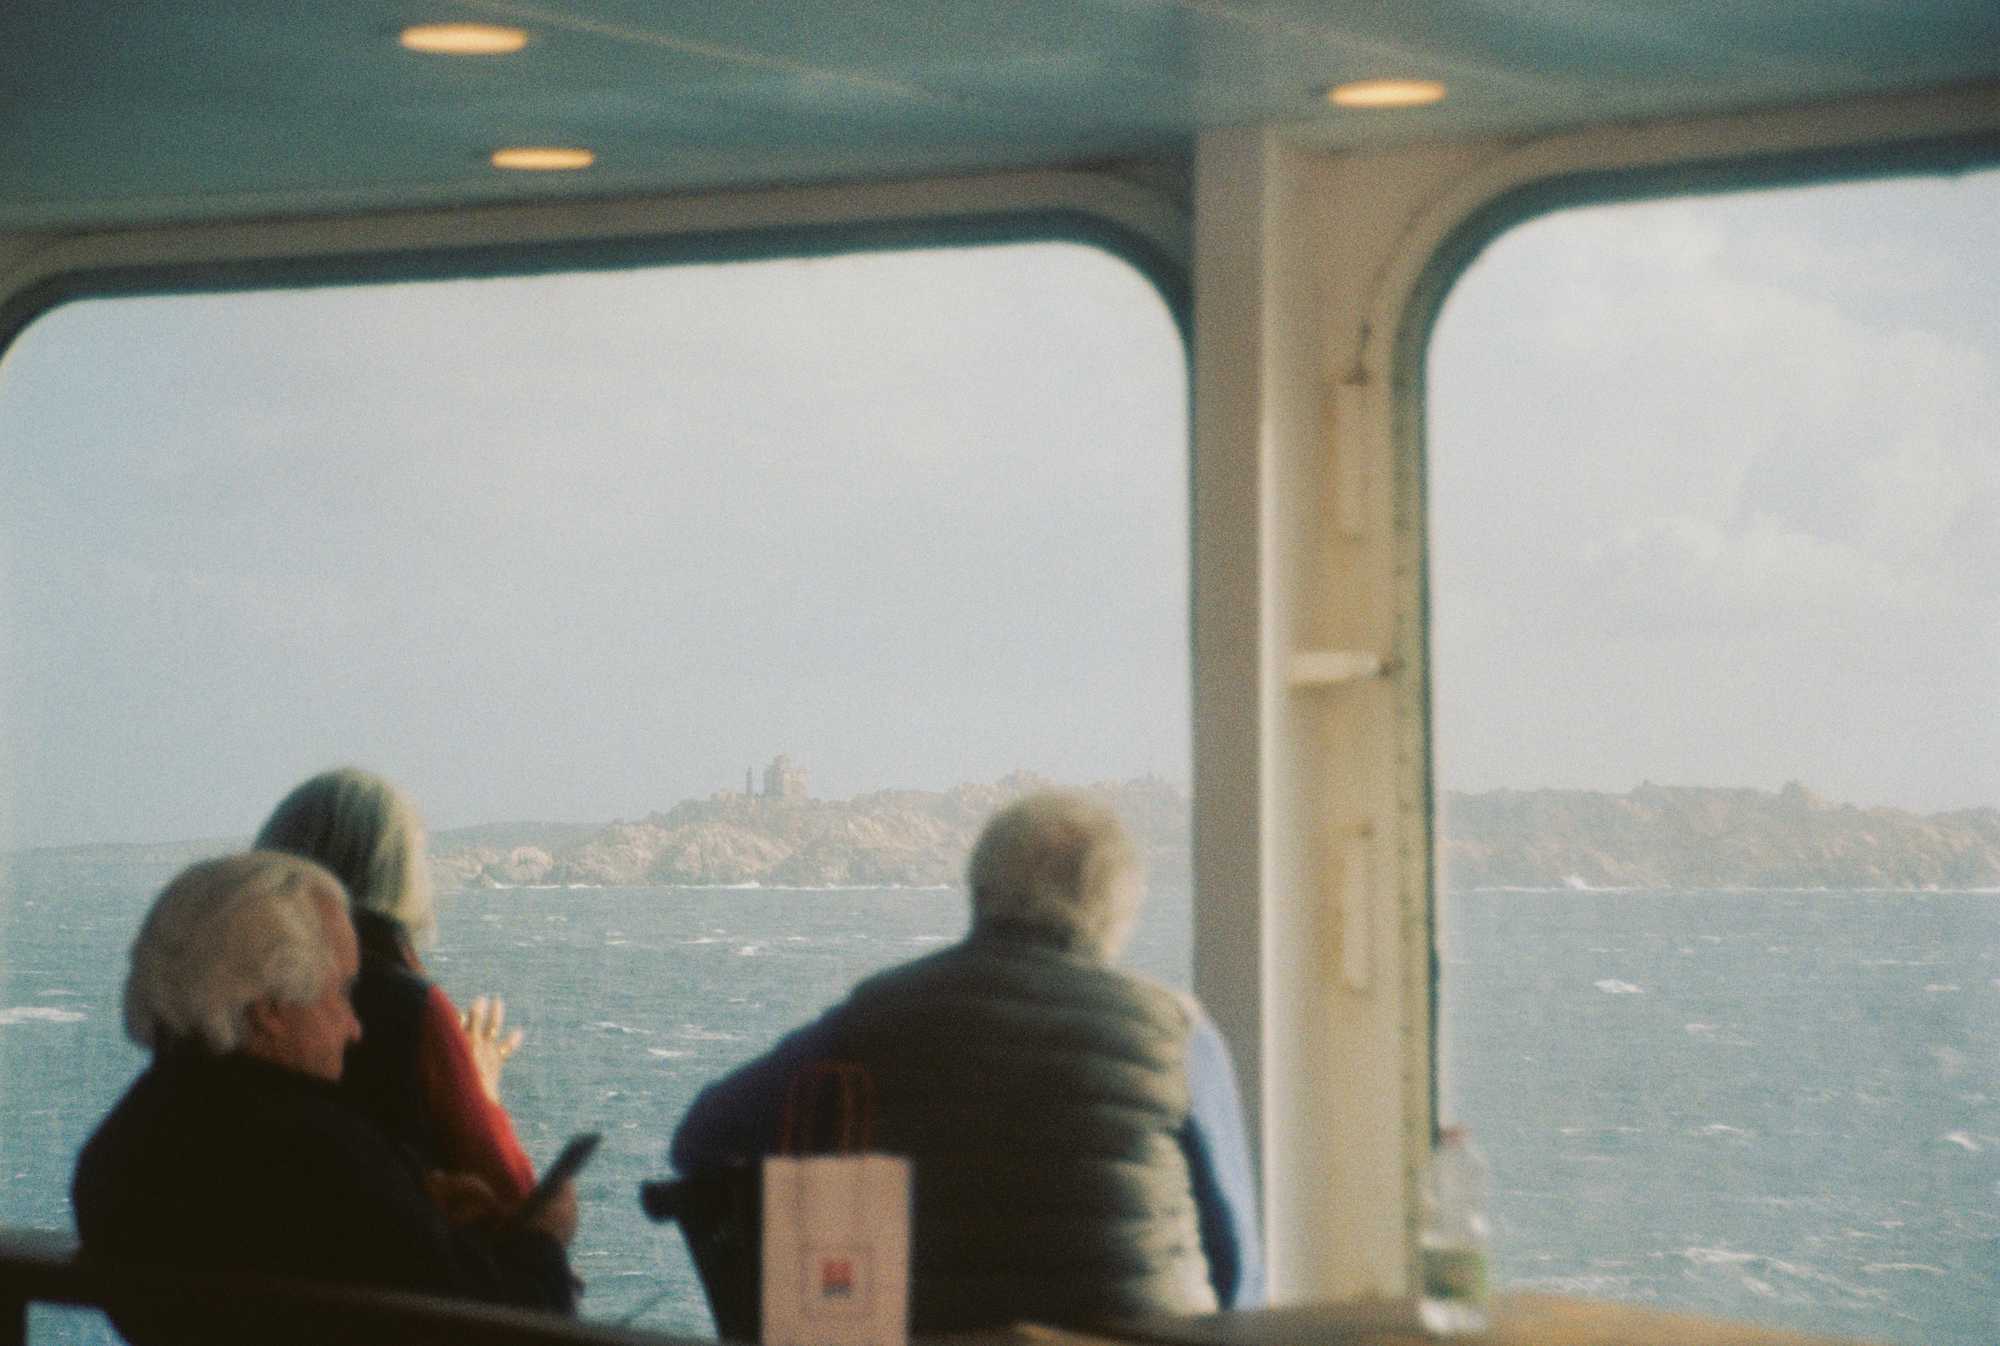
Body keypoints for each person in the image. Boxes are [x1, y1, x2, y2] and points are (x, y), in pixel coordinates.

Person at [671, 790, 1265, 1331]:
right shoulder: (1177, 1035)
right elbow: (1239, 1272)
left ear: (979, 891)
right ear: (1117, 910)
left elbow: (703, 1139)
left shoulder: (872, 1017)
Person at [71, 852, 577, 1338]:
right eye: (340, 991)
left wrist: (414, 1203)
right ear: (270, 1009)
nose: (355, 1028)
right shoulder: (319, 1157)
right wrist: (545, 1237)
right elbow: (514, 1327)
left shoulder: (117, 1150)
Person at [256, 767, 535, 1204]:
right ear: (396, 874)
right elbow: (513, 1202)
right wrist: (481, 1090)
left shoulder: (225, 999)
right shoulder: (411, 1009)